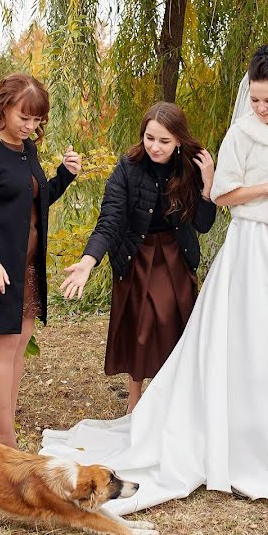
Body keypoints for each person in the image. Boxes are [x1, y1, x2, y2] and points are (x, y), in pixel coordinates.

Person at [40, 45, 268, 514]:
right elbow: (223, 195)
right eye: (255, 99)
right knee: (243, 339)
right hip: (251, 246)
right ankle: (234, 436)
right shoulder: (239, 134)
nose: (260, 108)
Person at [59, 102, 216, 413]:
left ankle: (170, 396)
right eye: (149, 138)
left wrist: (208, 183)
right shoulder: (127, 168)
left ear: (179, 141)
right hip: (135, 255)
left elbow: (203, 224)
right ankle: (135, 398)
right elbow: (110, 221)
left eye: (164, 141)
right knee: (139, 326)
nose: (155, 147)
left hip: (175, 255)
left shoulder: (190, 169)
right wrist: (88, 262)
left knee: (172, 322)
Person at [0, 73, 81, 448]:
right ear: (3, 106)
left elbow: (32, 203)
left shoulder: (28, 151)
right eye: (24, 117)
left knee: (19, 343)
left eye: (38, 120)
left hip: (26, 267)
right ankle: (6, 447)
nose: (31, 126)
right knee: (1, 349)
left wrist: (63, 177)